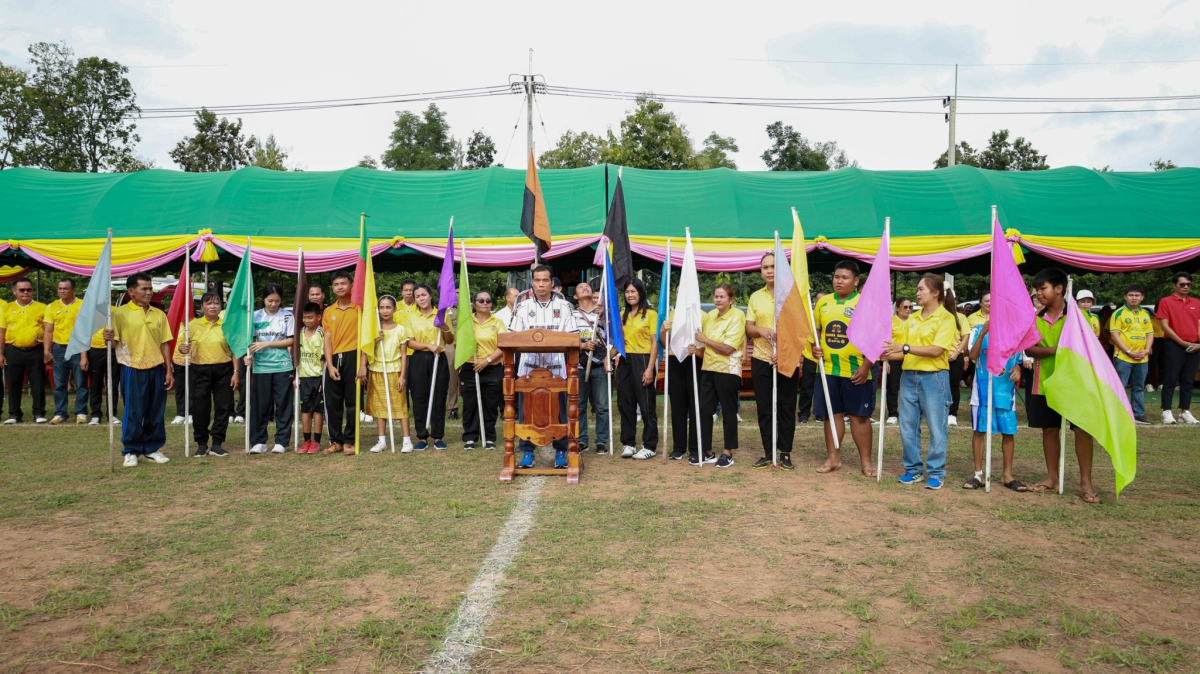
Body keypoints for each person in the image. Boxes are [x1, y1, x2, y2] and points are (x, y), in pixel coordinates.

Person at [1025, 268, 1100, 502]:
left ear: (1060, 289)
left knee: (1082, 430)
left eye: (1043, 289)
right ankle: (1051, 478)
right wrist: (1056, 350)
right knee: (1049, 429)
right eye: (1036, 290)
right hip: (1044, 382)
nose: (1039, 294)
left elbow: (1089, 347)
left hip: (1076, 383)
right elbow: (1029, 349)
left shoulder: (1080, 316)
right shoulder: (1035, 318)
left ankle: (1086, 483)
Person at [882, 274, 957, 490]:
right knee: (907, 426)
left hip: (934, 378)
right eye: (917, 289)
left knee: (936, 426)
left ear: (935, 293)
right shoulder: (912, 319)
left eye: (921, 289)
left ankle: (936, 472)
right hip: (909, 377)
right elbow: (902, 352)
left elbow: (936, 351)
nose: (917, 293)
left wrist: (903, 348)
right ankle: (913, 470)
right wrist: (885, 354)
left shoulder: (946, 318)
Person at [509, 265, 580, 469]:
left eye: (545, 280)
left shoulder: (564, 306)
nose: (541, 284)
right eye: (537, 280)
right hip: (528, 371)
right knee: (526, 412)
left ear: (552, 283)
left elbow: (572, 337)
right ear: (532, 282)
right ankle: (527, 453)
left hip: (556, 370)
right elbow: (512, 337)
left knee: (559, 413)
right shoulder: (522, 307)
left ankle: (560, 452)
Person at [103, 273, 174, 467]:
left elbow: (165, 344)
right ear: (131, 291)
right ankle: (131, 450)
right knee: (133, 411)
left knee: (156, 411)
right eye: (144, 288)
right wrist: (107, 337)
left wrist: (168, 370)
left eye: (150, 288)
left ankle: (152, 448)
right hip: (131, 367)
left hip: (156, 367)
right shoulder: (119, 313)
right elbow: (115, 343)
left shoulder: (159, 314)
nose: (149, 292)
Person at [812, 261, 876, 476]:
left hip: (856, 370)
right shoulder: (823, 303)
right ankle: (833, 459)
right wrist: (814, 348)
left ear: (856, 281)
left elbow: (875, 338)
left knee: (859, 417)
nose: (839, 281)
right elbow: (816, 332)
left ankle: (866, 462)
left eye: (844, 277)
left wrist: (866, 366)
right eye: (836, 277)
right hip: (828, 370)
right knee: (832, 415)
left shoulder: (865, 303)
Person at [745, 252, 800, 470]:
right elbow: (749, 328)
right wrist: (760, 329)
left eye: (773, 267)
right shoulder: (755, 297)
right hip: (761, 358)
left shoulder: (791, 295)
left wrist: (785, 351)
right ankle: (769, 452)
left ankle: (785, 453)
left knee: (786, 406)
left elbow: (798, 330)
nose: (769, 271)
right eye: (765, 267)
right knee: (765, 407)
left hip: (786, 359)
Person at [963, 320, 1027, 491]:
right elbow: (973, 356)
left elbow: (1018, 361)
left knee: (1008, 433)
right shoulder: (977, 329)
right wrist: (983, 332)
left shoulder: (1014, 329)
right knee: (980, 431)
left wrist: (1018, 369)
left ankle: (1008, 475)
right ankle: (978, 474)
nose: (991, 304)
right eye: (987, 301)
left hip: (1005, 391)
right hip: (982, 391)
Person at [176, 291, 235, 457]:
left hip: (223, 369)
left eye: (216, 303)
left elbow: (234, 350)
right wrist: (183, 348)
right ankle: (201, 443)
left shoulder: (226, 325)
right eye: (208, 303)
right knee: (200, 408)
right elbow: (182, 346)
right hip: (199, 370)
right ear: (202, 306)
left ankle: (217, 443)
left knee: (223, 407)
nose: (213, 306)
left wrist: (236, 372)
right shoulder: (192, 325)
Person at [693, 283, 744, 468]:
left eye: (722, 297)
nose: (718, 300)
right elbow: (704, 347)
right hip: (708, 369)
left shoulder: (737, 316)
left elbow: (728, 348)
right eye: (716, 296)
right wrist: (696, 349)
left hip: (728, 370)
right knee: (704, 411)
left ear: (731, 300)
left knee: (729, 412)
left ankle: (727, 452)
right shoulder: (711, 316)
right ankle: (706, 451)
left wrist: (705, 341)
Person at [246, 283, 295, 454]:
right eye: (270, 300)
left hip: (283, 366)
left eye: (277, 301)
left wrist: (268, 343)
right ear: (263, 300)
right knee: (260, 405)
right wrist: (249, 356)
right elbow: (250, 341)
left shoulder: (287, 316)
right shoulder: (254, 316)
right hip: (260, 367)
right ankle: (259, 441)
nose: (273, 304)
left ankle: (281, 441)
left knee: (283, 404)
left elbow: (291, 340)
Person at [405, 283, 455, 450]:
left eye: (424, 295)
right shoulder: (411, 317)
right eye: (418, 296)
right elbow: (410, 342)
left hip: (438, 358)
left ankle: (438, 436)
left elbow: (449, 340)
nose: (421, 298)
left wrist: (445, 327)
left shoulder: (440, 314)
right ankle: (422, 437)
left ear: (431, 296)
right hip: (419, 359)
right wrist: (428, 346)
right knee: (419, 397)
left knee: (439, 397)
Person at [614, 278, 659, 459]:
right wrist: (607, 358)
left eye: (633, 291)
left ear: (640, 292)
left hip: (643, 359)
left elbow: (655, 343)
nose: (630, 295)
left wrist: (649, 369)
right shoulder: (622, 313)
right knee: (625, 404)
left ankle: (649, 445)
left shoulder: (650, 314)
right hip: (625, 361)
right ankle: (628, 443)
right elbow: (618, 343)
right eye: (627, 292)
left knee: (646, 404)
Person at [360, 295, 411, 453]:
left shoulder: (401, 329)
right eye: (381, 307)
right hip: (377, 370)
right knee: (379, 406)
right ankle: (381, 440)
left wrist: (402, 376)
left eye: (388, 307)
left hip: (394, 370)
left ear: (395, 309)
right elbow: (365, 349)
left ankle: (406, 441)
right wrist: (374, 340)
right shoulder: (374, 330)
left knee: (400, 405)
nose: (385, 310)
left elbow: (404, 355)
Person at [322, 270, 362, 455]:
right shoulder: (329, 311)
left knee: (353, 402)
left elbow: (366, 339)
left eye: (343, 283)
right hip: (334, 359)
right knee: (332, 403)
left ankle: (350, 441)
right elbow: (327, 340)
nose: (339, 287)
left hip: (354, 356)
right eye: (336, 284)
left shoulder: (359, 309)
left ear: (351, 285)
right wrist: (329, 365)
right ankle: (335, 440)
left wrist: (363, 364)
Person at [460, 290, 506, 450]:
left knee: (490, 404)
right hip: (470, 366)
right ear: (474, 303)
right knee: (470, 404)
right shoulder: (466, 322)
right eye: (481, 300)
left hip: (492, 367)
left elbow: (503, 346)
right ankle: (470, 437)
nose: (485, 303)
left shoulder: (498, 322)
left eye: (488, 300)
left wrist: (487, 360)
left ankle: (489, 437)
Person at [0, 277, 48, 424]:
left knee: (38, 382)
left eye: (29, 289)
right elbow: (2, 332)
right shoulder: (6, 308)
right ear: (14, 291)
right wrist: (0, 353)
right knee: (14, 383)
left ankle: (39, 413)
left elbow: (48, 331)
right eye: (22, 290)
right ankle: (14, 414)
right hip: (13, 350)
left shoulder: (42, 308)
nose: (26, 292)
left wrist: (47, 350)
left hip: (36, 350)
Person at [1156, 271, 1200, 425]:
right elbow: (1164, 326)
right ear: (1174, 285)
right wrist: (1181, 342)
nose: (1186, 287)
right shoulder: (1166, 301)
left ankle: (1185, 411)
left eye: (1188, 284)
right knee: (1171, 378)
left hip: (1194, 345)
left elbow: (1199, 325)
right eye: (1182, 284)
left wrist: (1198, 343)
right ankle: (1166, 411)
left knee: (1188, 380)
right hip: (1174, 344)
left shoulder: (1196, 302)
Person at [43, 278, 87, 424]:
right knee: (60, 384)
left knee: (81, 383)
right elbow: (48, 331)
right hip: (59, 349)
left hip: (77, 347)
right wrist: (47, 351)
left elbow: (85, 331)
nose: (62, 291)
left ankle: (81, 412)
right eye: (60, 288)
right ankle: (60, 413)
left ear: (73, 290)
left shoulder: (82, 305)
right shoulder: (51, 306)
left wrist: (83, 354)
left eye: (65, 288)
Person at [573, 282, 609, 454]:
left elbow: (614, 335)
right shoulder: (571, 314)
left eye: (587, 286)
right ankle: (582, 440)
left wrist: (602, 318)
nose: (585, 288)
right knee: (580, 405)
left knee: (602, 406)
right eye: (581, 287)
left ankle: (601, 441)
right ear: (575, 296)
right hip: (579, 365)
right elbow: (566, 338)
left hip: (599, 363)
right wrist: (583, 345)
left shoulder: (603, 313)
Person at [1110, 284, 1154, 425]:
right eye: (1131, 295)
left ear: (1142, 297)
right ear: (1125, 297)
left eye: (1137, 295)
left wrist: (1146, 350)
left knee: (1139, 387)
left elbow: (1150, 334)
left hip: (1142, 357)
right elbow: (1115, 335)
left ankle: (1138, 414)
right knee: (1120, 386)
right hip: (1123, 357)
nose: (1134, 298)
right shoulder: (1118, 313)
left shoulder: (1145, 314)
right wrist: (1128, 351)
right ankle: (1118, 414)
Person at [81, 310, 122, 425]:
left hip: (113, 351)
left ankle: (112, 414)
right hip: (94, 351)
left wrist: (110, 340)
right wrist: (84, 356)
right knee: (95, 385)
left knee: (112, 385)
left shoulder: (115, 311)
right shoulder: (90, 312)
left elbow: (117, 339)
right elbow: (84, 337)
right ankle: (95, 414)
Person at [296, 303, 325, 453]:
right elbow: (296, 355)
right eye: (304, 317)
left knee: (318, 410)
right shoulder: (299, 333)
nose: (307, 320)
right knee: (306, 410)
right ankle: (306, 440)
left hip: (318, 377)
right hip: (304, 377)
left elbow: (323, 357)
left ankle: (316, 441)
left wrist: (322, 379)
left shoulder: (321, 333)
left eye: (310, 317)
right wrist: (297, 376)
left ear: (318, 317)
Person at [797, 291, 829, 424]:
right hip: (811, 356)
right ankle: (803, 413)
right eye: (818, 301)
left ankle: (820, 413)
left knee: (823, 386)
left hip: (826, 357)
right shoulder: (810, 316)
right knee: (807, 385)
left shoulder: (829, 315)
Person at [944, 290, 970, 427]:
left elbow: (965, 336)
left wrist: (957, 352)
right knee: (937, 386)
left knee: (953, 386)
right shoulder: (937, 316)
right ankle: (940, 412)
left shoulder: (960, 317)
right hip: (938, 356)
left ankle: (952, 414)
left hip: (955, 355)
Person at [885, 298, 913, 424]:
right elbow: (884, 342)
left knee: (910, 388)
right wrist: (886, 362)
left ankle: (908, 413)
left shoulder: (914, 322)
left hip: (911, 357)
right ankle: (892, 413)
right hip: (894, 359)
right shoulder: (890, 322)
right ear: (897, 308)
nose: (908, 310)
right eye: (905, 307)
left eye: (910, 307)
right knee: (892, 387)